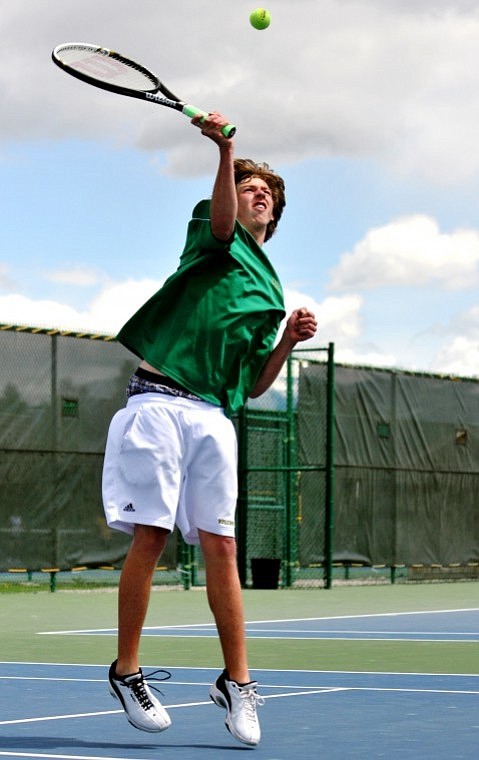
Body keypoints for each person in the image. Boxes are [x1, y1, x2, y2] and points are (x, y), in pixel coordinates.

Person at [102, 110, 318, 747]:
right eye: (251, 185)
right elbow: (224, 219)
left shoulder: (270, 292)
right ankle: (126, 670)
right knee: (152, 533)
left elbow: (252, 385)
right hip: (157, 402)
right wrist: (227, 152)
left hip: (211, 418)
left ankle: (238, 682)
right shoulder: (213, 231)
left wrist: (284, 342)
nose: (259, 193)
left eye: (268, 194)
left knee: (222, 548)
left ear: (274, 219)